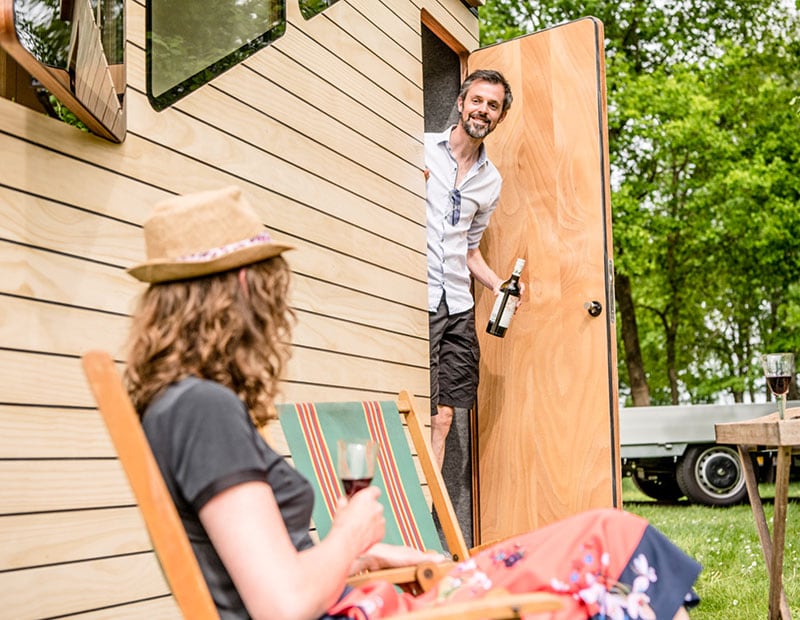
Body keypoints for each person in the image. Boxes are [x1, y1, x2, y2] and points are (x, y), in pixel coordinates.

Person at [124, 186, 701, 620]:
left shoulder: (178, 405)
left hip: (354, 593)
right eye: (272, 283)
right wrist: (352, 534)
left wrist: (361, 557)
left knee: (604, 532)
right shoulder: (202, 409)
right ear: (242, 289)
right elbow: (280, 603)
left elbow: (265, 572)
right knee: (607, 541)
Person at [425, 69, 518, 468]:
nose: (483, 110)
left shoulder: (491, 182)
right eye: (477, 100)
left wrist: (499, 285)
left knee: (445, 417)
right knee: (423, 412)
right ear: (461, 103)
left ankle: (429, 520)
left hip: (458, 305)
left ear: (500, 117)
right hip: (420, 297)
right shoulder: (419, 149)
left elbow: (470, 249)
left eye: (493, 106)